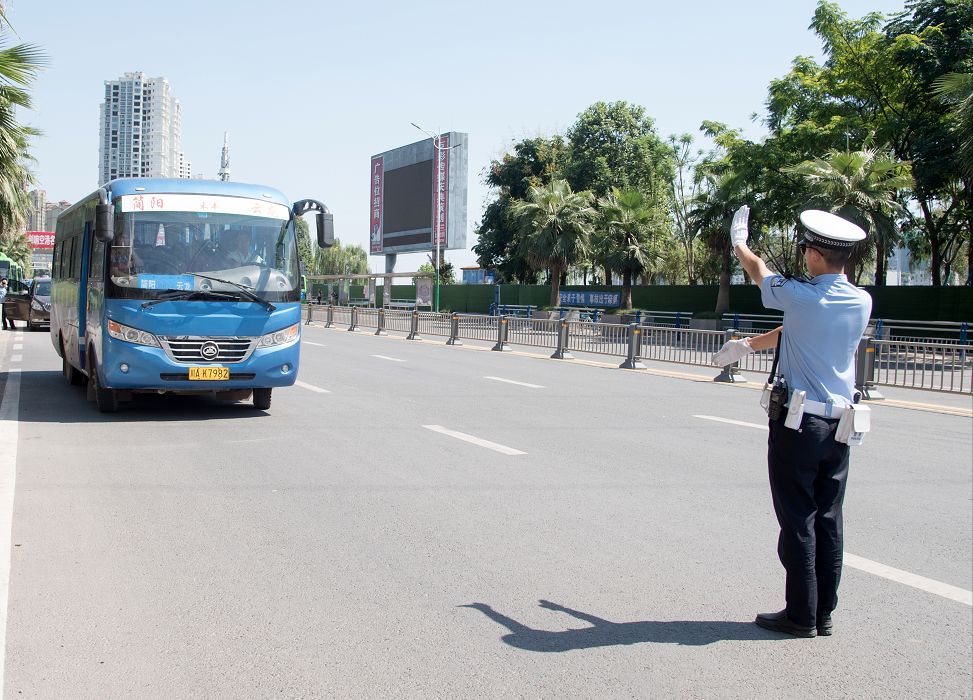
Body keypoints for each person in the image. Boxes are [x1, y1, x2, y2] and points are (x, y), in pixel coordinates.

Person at [715, 206, 872, 638]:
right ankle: (823, 613)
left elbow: (757, 269)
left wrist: (739, 242)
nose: (803, 256)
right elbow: (795, 331)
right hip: (841, 427)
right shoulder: (860, 300)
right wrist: (748, 345)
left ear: (817, 255)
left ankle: (800, 615)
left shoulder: (801, 295)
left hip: (799, 425)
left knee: (798, 519)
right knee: (828, 518)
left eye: (806, 250)